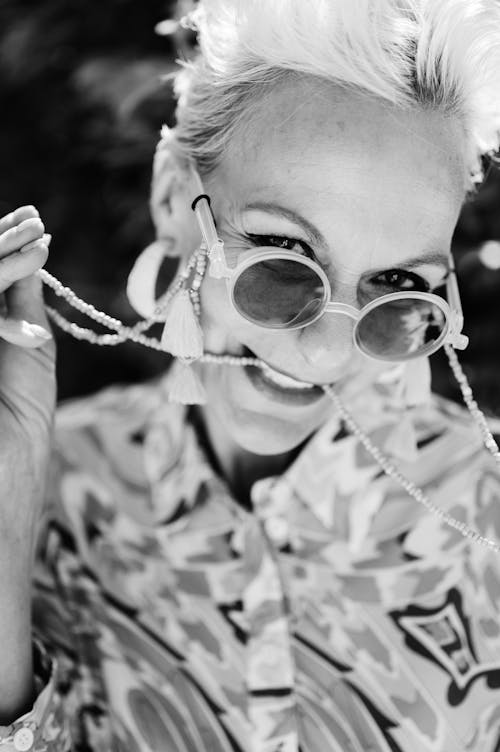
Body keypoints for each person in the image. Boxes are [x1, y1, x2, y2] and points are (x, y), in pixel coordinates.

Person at [1, 1, 500, 750]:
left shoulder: (486, 516)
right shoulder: (51, 492)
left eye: (398, 283)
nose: (327, 352)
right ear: (175, 198)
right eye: (282, 259)